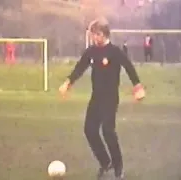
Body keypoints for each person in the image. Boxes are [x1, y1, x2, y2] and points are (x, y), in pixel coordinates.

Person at [59, 18, 146, 180]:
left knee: (108, 131)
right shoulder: (91, 51)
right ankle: (106, 163)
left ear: (103, 34)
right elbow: (80, 67)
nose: (93, 38)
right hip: (96, 97)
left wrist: (138, 88)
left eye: (95, 34)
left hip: (110, 98)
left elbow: (129, 67)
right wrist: (68, 83)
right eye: (92, 35)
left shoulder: (114, 51)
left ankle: (118, 167)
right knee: (89, 130)